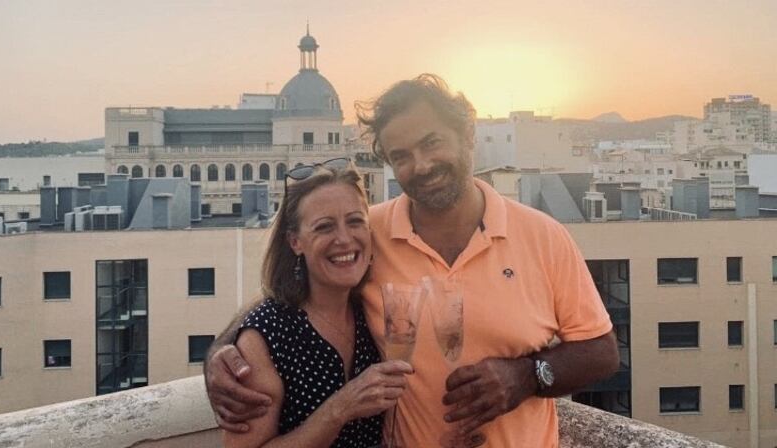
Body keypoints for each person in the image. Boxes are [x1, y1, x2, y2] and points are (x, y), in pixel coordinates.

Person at [206, 74, 620, 447]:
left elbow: (601, 350)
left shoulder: (543, 236)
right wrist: (224, 349)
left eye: (432, 143)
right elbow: (296, 292)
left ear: (467, 135)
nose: (421, 165)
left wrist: (527, 376)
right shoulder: (368, 234)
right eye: (401, 155)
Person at [220, 161, 414, 448]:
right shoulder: (268, 334)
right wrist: (340, 408)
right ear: (295, 242)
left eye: (355, 221)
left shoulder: (371, 309)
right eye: (324, 227)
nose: (344, 239)